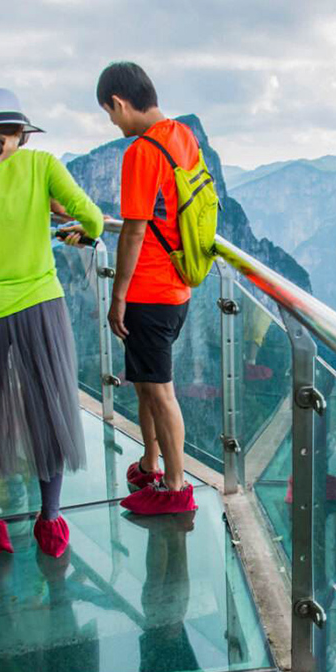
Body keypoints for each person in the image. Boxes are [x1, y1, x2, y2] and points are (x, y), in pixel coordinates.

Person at [0, 87, 103, 557]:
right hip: (40, 304)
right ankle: (49, 524)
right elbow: (90, 217)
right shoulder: (41, 165)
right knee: (48, 409)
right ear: (20, 131)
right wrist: (71, 229)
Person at [96, 61, 197, 515]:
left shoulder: (141, 151)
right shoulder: (182, 136)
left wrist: (118, 295)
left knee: (159, 390)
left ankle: (176, 489)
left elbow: (134, 230)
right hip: (178, 286)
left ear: (119, 102)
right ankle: (151, 463)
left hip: (149, 290)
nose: (113, 123)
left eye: (109, 113)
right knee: (145, 383)